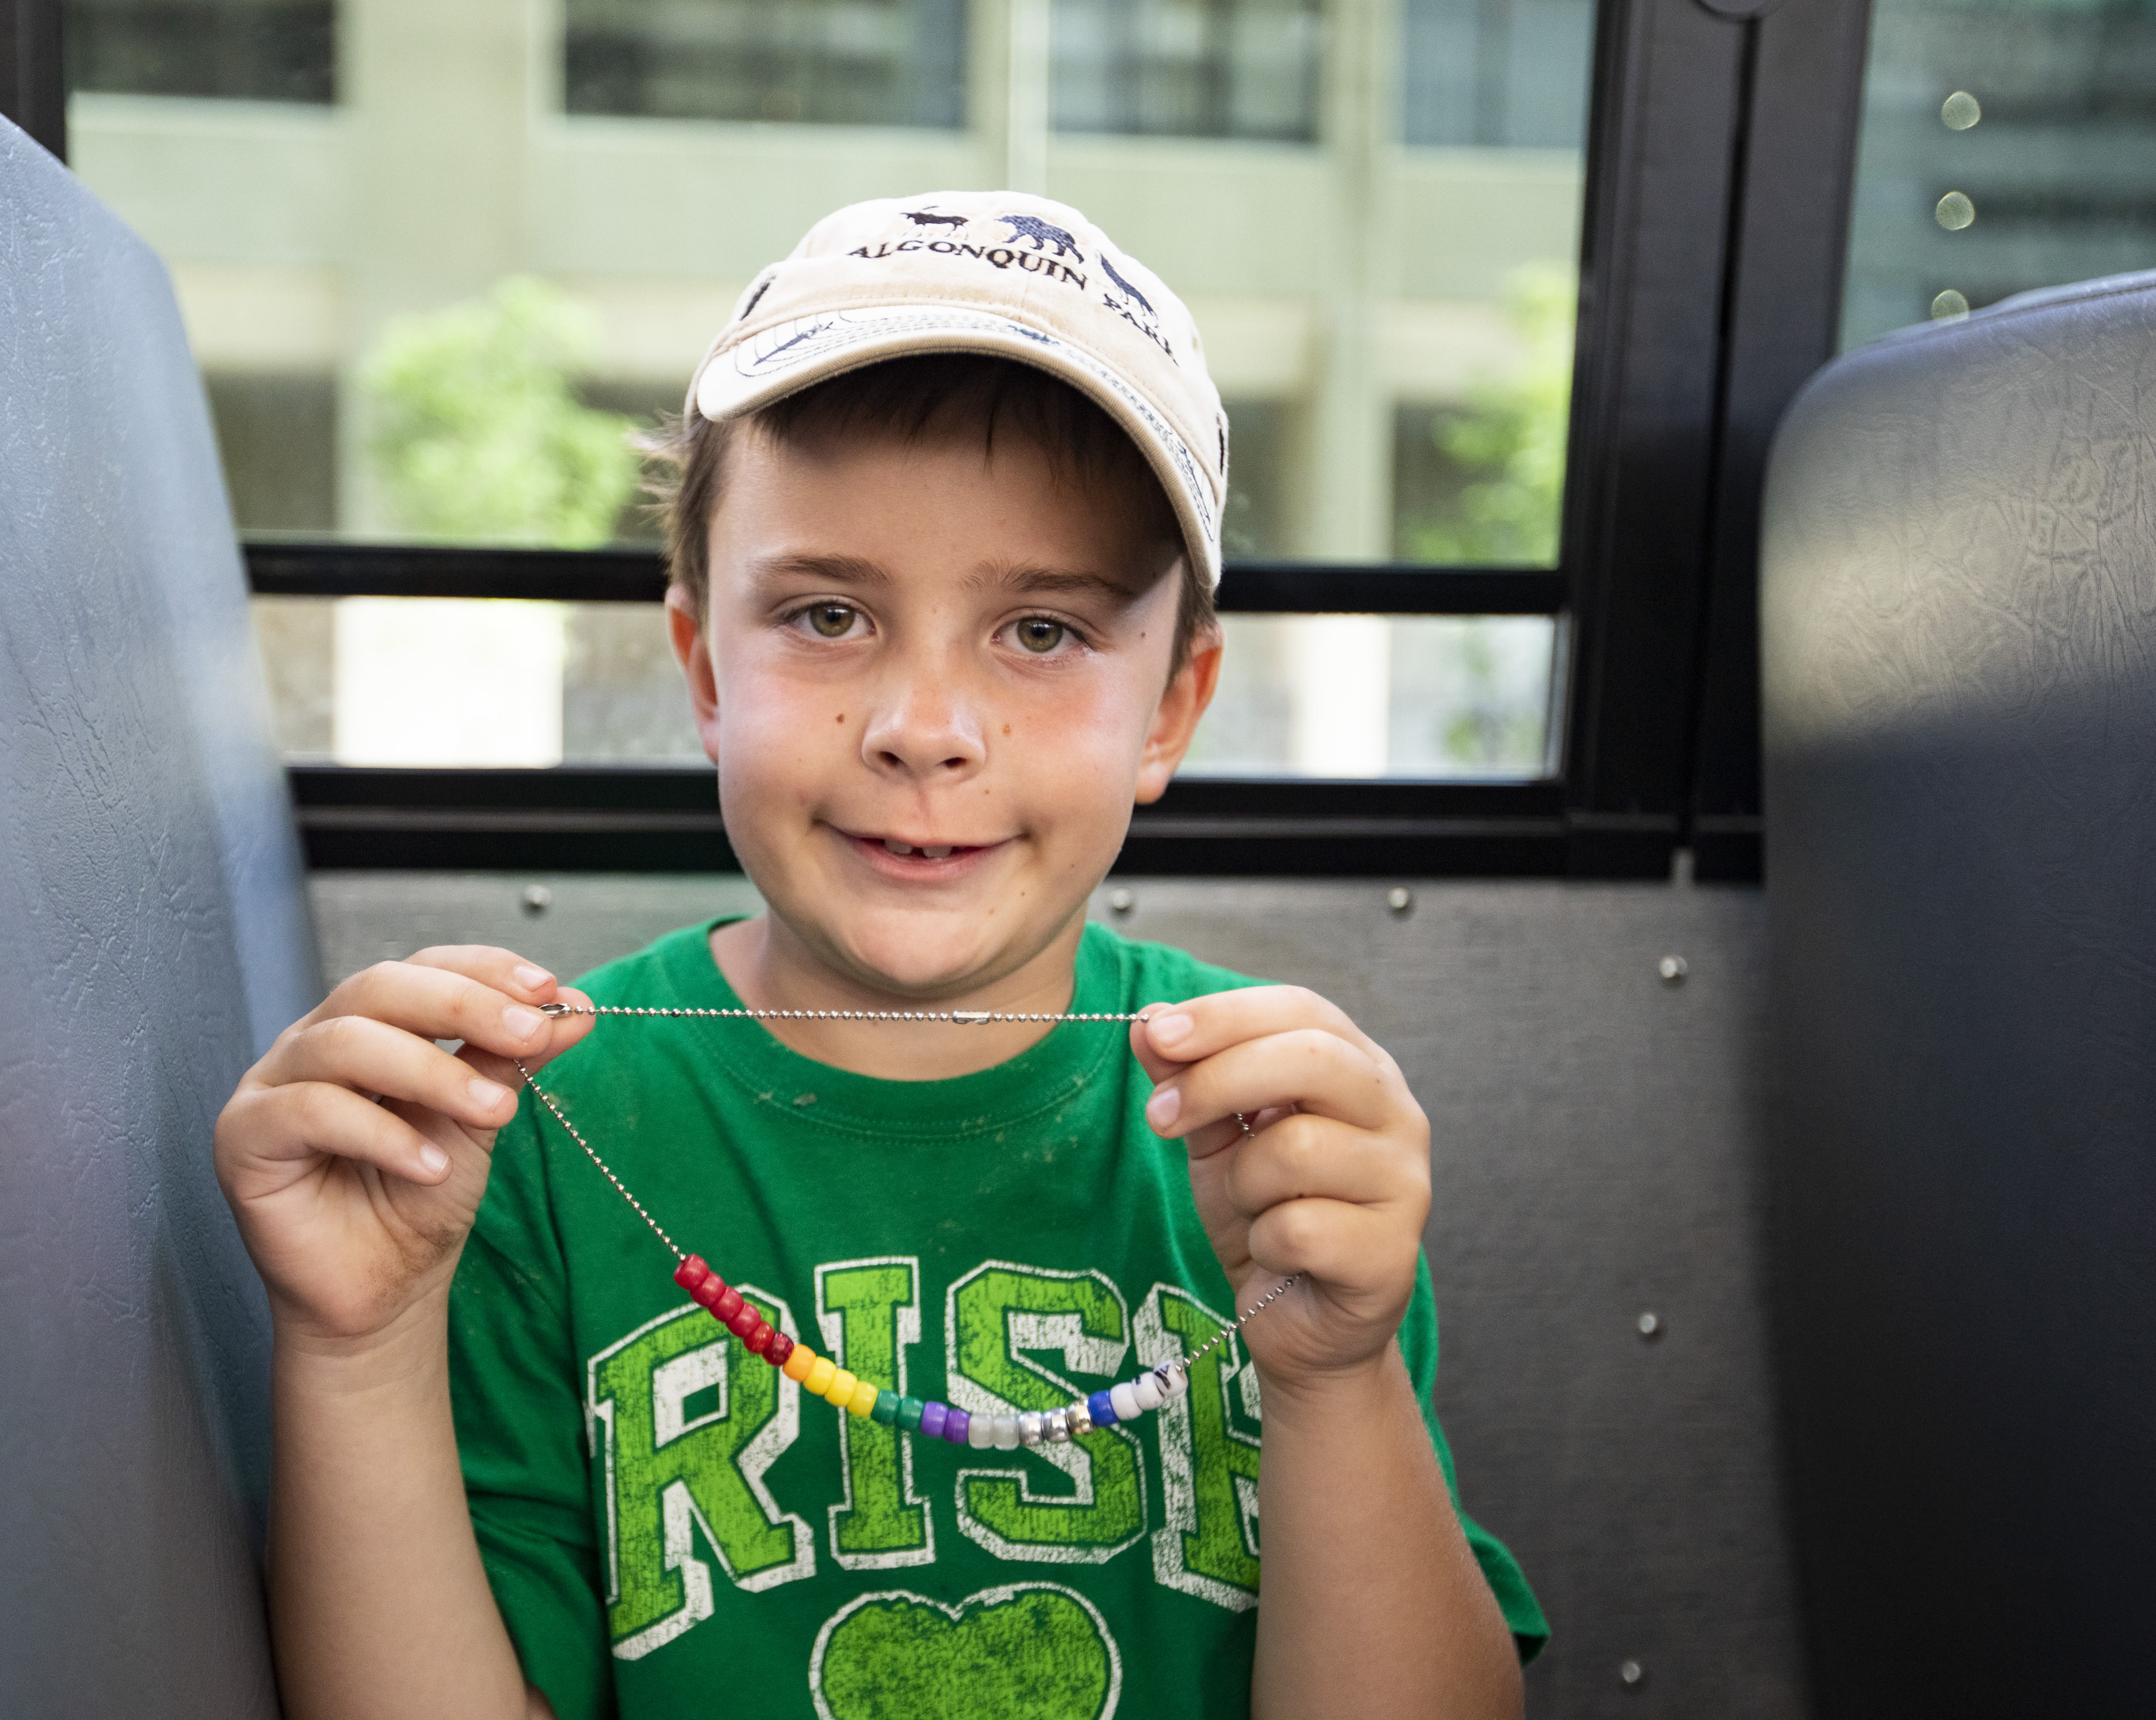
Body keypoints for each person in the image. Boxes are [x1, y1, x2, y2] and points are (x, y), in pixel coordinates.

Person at [215, 191, 1546, 1720]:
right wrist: (356, 1345)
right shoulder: (525, 1135)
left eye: (1041, 632)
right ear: (705, 670)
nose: (925, 725)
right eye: (829, 614)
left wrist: (1332, 1372)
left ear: (1172, 711)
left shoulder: (1280, 1139)